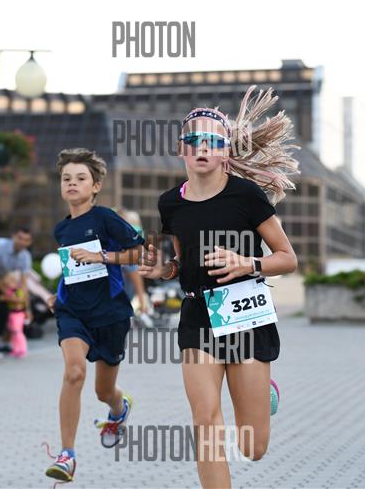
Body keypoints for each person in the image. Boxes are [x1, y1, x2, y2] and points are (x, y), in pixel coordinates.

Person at [139, 86, 299, 488]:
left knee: (253, 446)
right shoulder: (169, 203)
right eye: (194, 139)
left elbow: (287, 257)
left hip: (245, 313)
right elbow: (182, 263)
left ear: (226, 150)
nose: (203, 147)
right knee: (206, 420)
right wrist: (164, 269)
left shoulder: (246, 195)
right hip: (198, 315)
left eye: (213, 140)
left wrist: (248, 262)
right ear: (182, 149)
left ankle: (263, 392)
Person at [44, 148, 144, 483]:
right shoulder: (61, 229)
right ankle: (67, 455)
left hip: (110, 314)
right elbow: (72, 269)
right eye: (66, 179)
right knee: (74, 373)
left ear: (96, 185)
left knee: (104, 391)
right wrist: (57, 294)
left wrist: (102, 256)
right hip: (73, 312)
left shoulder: (105, 218)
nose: (72, 183)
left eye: (80, 178)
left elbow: (139, 252)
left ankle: (119, 408)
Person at [0, 271, 27, 358]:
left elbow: (20, 300)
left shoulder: (18, 291)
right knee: (12, 332)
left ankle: (22, 348)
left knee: (17, 331)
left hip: (18, 313)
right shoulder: (8, 291)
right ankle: (16, 349)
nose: (9, 285)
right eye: (7, 284)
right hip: (11, 313)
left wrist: (9, 298)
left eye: (11, 283)